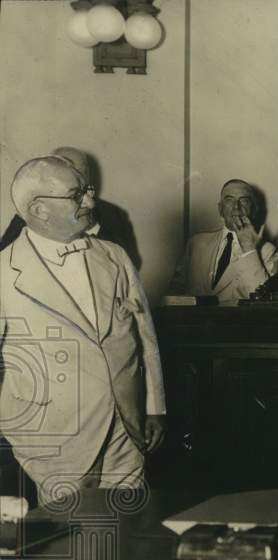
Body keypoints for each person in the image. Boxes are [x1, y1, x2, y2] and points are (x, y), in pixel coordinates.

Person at [0, 156, 166, 505]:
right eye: (77, 195)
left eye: (87, 191)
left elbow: (144, 337)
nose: (91, 202)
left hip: (126, 427)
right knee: (72, 543)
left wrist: (154, 407)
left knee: (129, 533)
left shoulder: (115, 256)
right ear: (40, 209)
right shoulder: (4, 272)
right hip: (55, 439)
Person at [0, 147, 141, 268]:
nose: (70, 172)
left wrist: (92, 226)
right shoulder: (28, 213)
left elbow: (130, 264)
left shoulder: (112, 213)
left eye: (77, 168)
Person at [167, 179, 278, 305]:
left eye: (244, 200)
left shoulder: (267, 251)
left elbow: (264, 303)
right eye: (229, 200)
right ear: (220, 209)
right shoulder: (196, 244)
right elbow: (173, 297)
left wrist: (249, 248)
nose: (237, 207)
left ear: (253, 209)